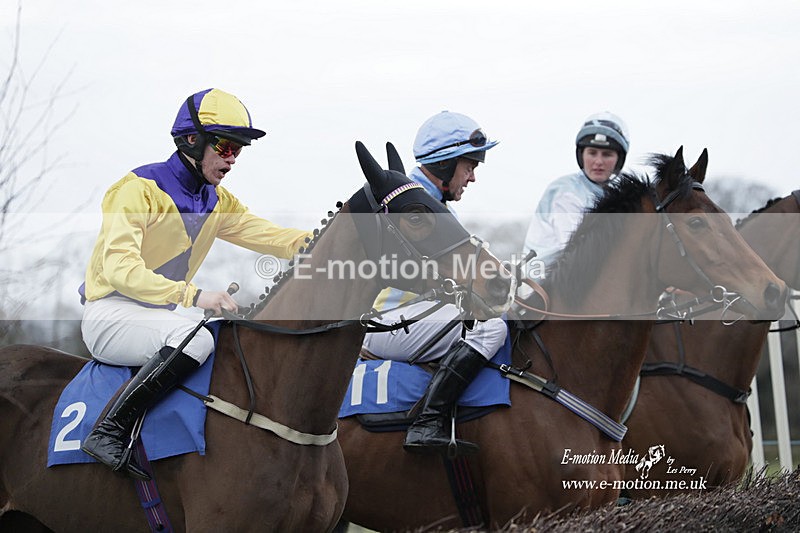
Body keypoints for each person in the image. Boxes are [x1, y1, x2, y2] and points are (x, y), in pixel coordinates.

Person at [78, 88, 312, 480]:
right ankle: (109, 431)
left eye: (238, 150)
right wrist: (194, 295)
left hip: (160, 316)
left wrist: (330, 239)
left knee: (232, 339)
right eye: (225, 146)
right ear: (191, 139)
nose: (232, 158)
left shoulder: (218, 201)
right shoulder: (136, 189)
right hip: (110, 313)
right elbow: (120, 268)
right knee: (197, 341)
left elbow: (271, 236)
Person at [361, 111, 508, 455]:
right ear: (444, 164)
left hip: (414, 317)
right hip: (388, 321)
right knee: (491, 328)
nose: (472, 177)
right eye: (469, 166)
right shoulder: (413, 207)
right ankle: (427, 421)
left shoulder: (436, 208)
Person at [522, 112, 630, 272]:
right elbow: (577, 248)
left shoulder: (617, 195)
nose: (598, 161)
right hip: (543, 281)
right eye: (592, 153)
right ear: (581, 155)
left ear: (619, 159)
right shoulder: (565, 191)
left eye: (607, 154)